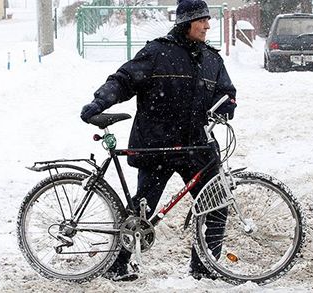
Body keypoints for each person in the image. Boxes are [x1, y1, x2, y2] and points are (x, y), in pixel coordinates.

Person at [80, 0, 237, 282]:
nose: (207, 25)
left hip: (196, 146)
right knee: (142, 208)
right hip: (158, 145)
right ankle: (117, 265)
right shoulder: (157, 52)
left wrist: (227, 105)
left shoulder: (212, 59)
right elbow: (124, 80)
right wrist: (99, 102)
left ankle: (204, 268)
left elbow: (226, 91)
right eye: (202, 20)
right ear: (186, 22)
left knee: (216, 204)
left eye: (207, 20)